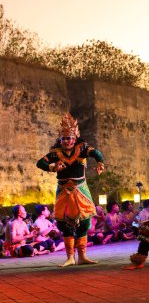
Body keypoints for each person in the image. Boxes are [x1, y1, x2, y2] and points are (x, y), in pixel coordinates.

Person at [36, 112, 105, 267]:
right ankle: (70, 257)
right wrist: (52, 167)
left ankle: (82, 256)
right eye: (64, 138)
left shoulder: (82, 148)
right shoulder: (56, 153)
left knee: (84, 222)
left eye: (70, 138)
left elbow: (96, 153)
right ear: (60, 139)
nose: (67, 141)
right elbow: (40, 163)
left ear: (75, 138)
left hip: (80, 190)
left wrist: (100, 162)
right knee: (64, 223)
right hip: (63, 191)